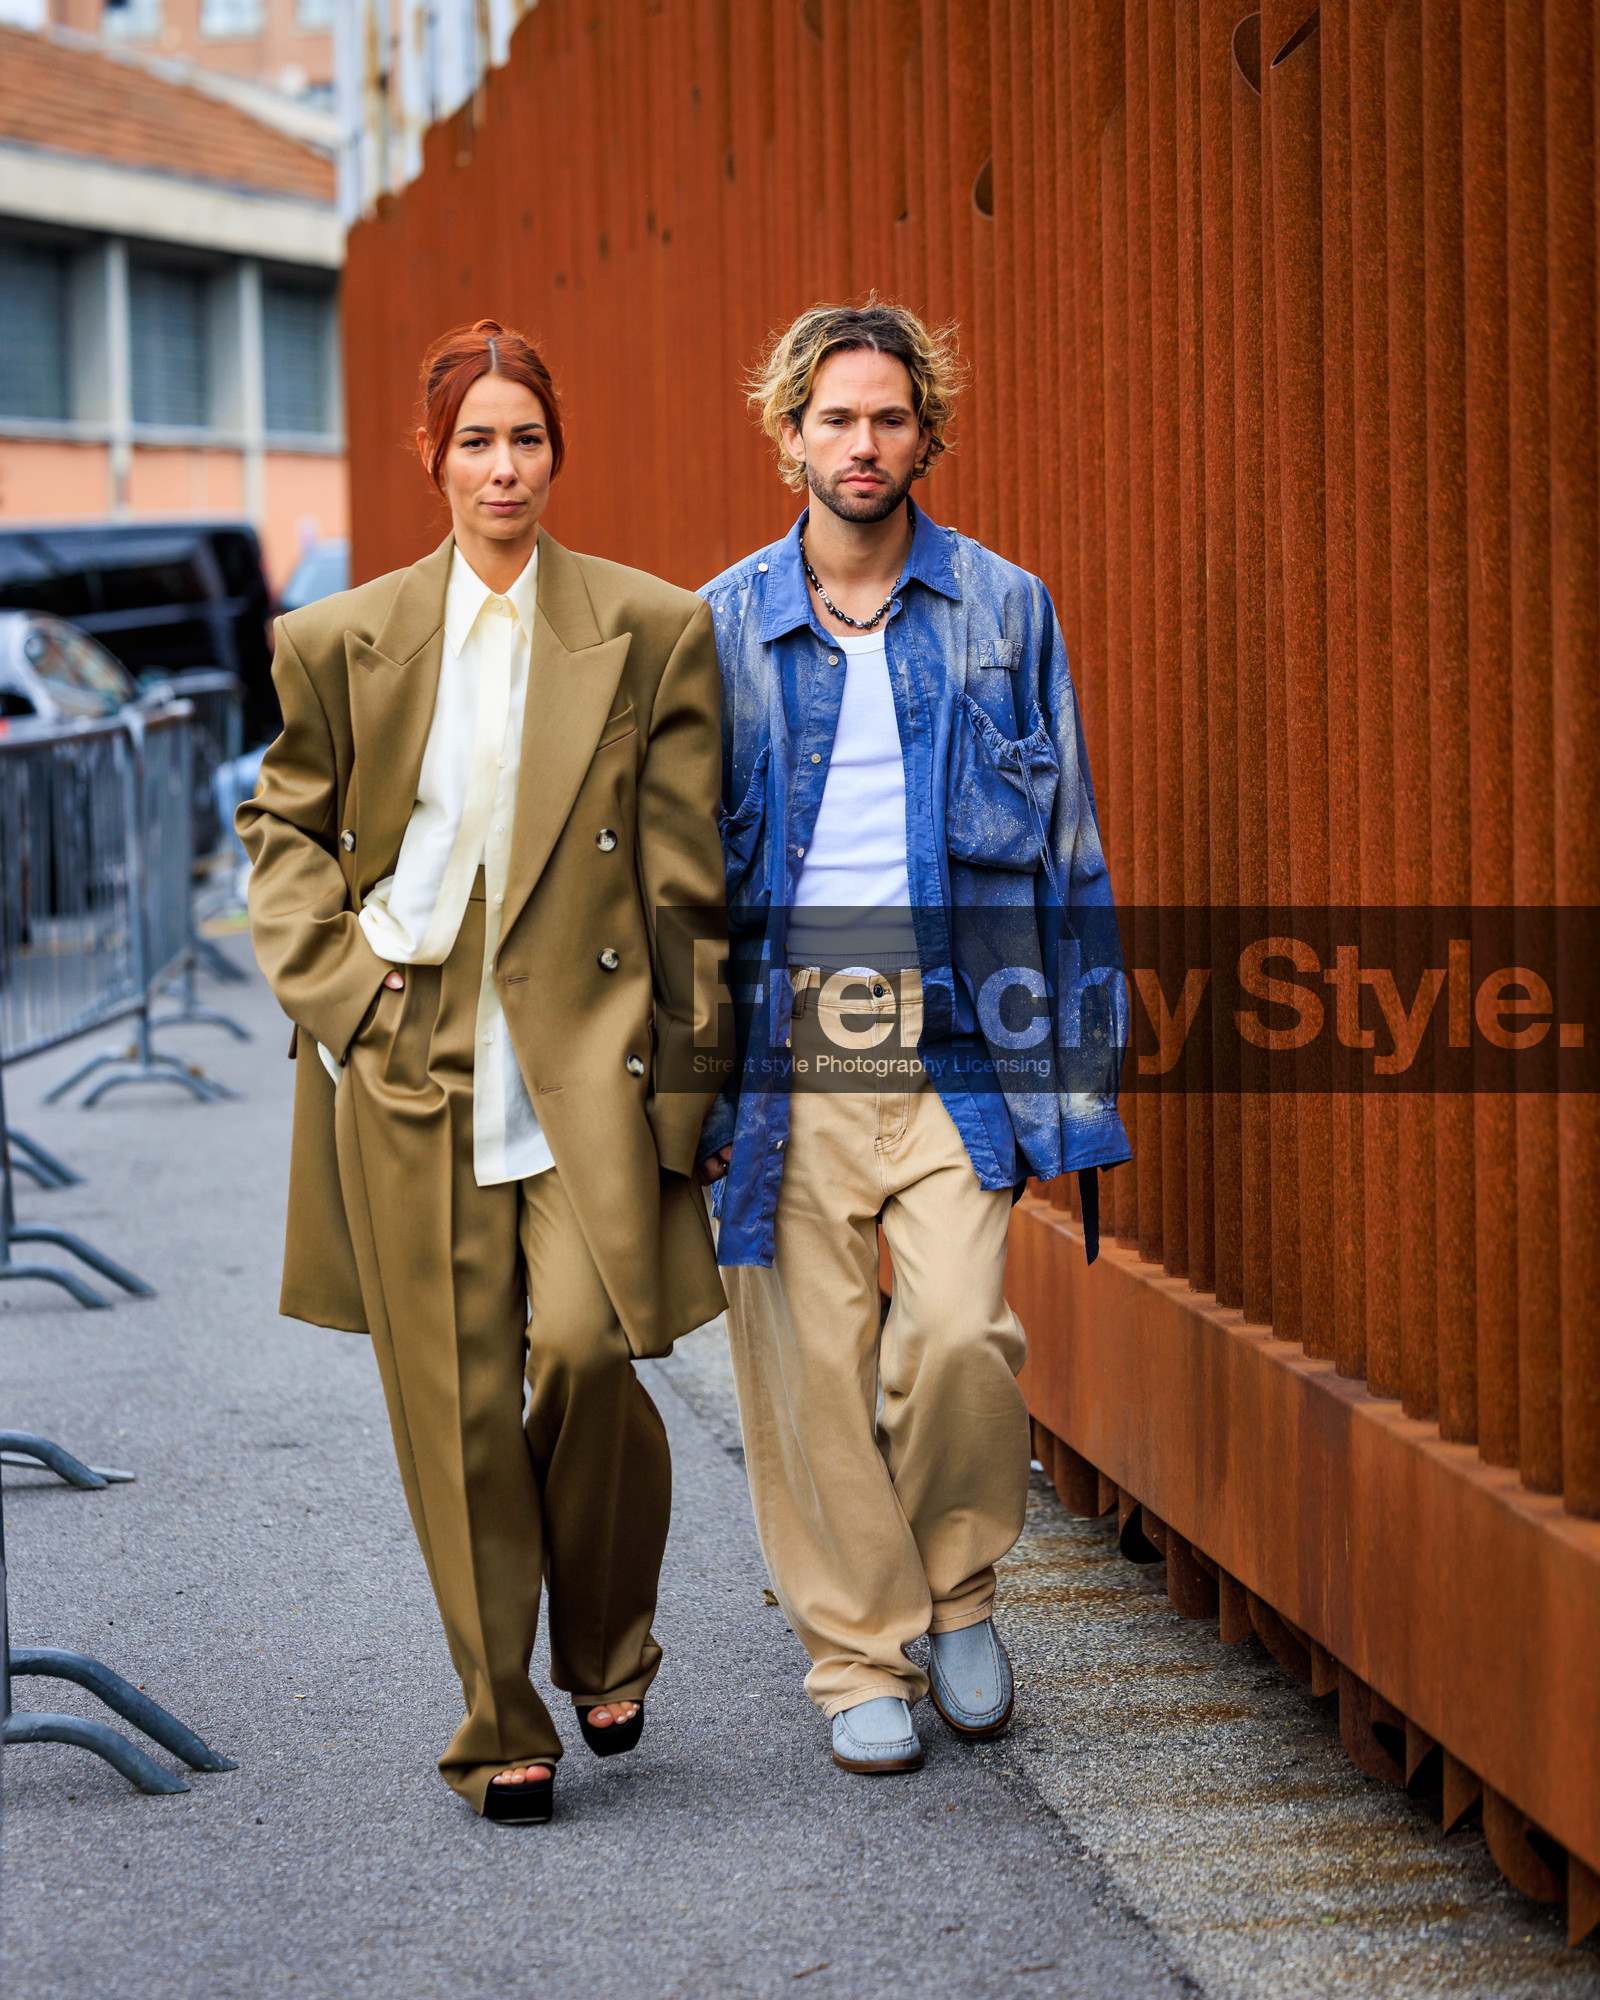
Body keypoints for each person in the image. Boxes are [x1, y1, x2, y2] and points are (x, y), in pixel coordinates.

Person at [239, 319, 728, 1824]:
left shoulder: (651, 628)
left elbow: (685, 879)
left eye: (525, 438)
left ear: (555, 452)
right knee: (451, 1407)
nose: (501, 467)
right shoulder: (342, 639)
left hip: (585, 1051)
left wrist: (691, 1088)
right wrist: (351, 1000)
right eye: (474, 441)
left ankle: (606, 1635)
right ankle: (497, 1717)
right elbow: (285, 833)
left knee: (585, 1351)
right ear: (432, 458)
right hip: (410, 1048)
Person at [697, 299, 1129, 1775]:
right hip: (785, 1055)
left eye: (888, 417)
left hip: (958, 1046)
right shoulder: (719, 626)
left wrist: (1073, 1089)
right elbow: (677, 874)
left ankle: (959, 1595)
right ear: (789, 437)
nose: (862, 443)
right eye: (835, 418)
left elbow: (1067, 850)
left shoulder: (1006, 610)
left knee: (956, 1336)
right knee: (811, 1370)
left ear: (926, 433)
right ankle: (852, 1654)